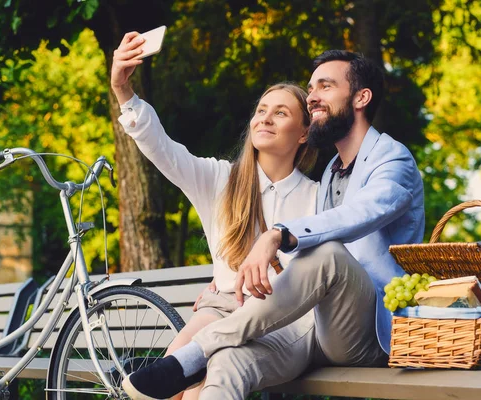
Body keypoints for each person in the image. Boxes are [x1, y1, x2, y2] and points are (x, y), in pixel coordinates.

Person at [122, 49, 425, 400]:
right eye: (311, 89)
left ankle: (195, 353)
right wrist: (223, 285)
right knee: (228, 364)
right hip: (302, 324)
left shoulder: (393, 159)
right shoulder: (329, 173)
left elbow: (361, 213)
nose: (313, 96)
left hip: (364, 329)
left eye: (325, 87)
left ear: (361, 97)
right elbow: (164, 151)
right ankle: (199, 356)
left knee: (327, 254)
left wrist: (278, 234)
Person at [111, 32, 320, 399]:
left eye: (281, 112)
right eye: (261, 110)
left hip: (282, 322)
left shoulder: (317, 197)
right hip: (221, 307)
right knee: (172, 381)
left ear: (304, 133)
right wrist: (123, 92)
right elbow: (162, 149)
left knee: (195, 390)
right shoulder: (219, 179)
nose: (265, 119)